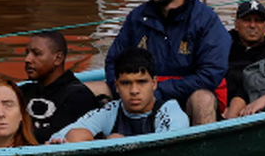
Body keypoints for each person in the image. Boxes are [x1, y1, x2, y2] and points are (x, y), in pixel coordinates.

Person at [105, 0, 229, 125]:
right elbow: (113, 61)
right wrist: (123, 89)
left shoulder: (206, 21)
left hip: (187, 98)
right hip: (139, 95)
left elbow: (209, 76)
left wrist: (156, 90)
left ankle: (201, 151)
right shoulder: (137, 17)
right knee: (93, 89)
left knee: (204, 99)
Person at [49, 47, 188, 142]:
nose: (134, 91)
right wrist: (57, 142)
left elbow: (168, 148)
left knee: (115, 139)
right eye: (126, 83)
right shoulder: (110, 111)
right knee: (76, 135)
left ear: (154, 83)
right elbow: (60, 136)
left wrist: (119, 143)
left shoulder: (169, 111)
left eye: (141, 82)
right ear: (116, 86)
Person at [20, 30, 100, 142]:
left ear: (58, 58)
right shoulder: (23, 91)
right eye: (27, 53)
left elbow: (54, 136)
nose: (27, 59)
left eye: (37, 53)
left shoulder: (78, 96)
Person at [226, 0, 265, 91]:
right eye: (247, 20)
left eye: (258, 21)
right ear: (236, 24)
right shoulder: (223, 44)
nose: (252, 25)